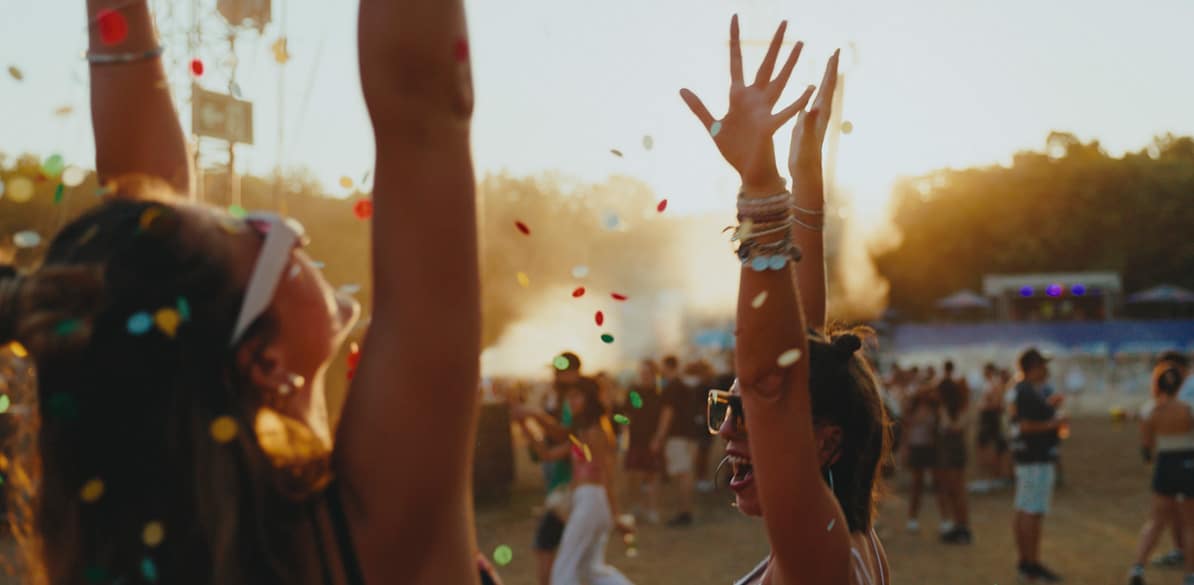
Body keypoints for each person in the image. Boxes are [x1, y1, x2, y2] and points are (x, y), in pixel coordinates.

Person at [0, 0, 480, 583]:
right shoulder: (381, 538)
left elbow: (147, 217)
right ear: (264, 361)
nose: (288, 228)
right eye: (256, 232)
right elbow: (424, 102)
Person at [682, 16, 889, 584]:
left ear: (826, 443)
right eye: (734, 409)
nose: (727, 430)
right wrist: (805, 185)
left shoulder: (818, 557)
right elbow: (800, 351)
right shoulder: (850, 538)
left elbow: (776, 378)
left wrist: (762, 189)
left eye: (746, 411)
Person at [526, 380, 635, 585]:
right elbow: (547, 454)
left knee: (564, 568)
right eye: (570, 397)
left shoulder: (594, 432)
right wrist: (526, 425)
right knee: (590, 568)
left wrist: (615, 512)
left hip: (591, 500)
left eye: (577, 396)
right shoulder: (585, 432)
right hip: (588, 501)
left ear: (589, 399)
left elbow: (605, 475)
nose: (571, 401)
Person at [1128, 362, 1194, 585]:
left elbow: (1146, 447)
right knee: (1189, 524)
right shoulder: (1188, 409)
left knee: (1155, 521)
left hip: (1165, 464)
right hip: (1188, 462)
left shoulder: (1150, 410)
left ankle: (1137, 568)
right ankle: (1190, 576)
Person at [1009, 348, 1066, 583]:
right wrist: (1055, 423)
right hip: (1036, 459)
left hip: (1029, 458)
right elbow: (1025, 426)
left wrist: (1050, 410)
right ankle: (1032, 564)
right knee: (1033, 511)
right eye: (1043, 364)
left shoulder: (1023, 390)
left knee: (1024, 508)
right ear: (1034, 367)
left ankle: (1026, 562)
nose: (1046, 369)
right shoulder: (1026, 391)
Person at [1147, 351, 1192, 569]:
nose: (1163, 375)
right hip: (1176, 456)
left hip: (1185, 456)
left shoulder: (1189, 390)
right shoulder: (1179, 389)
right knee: (1175, 510)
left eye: (1165, 369)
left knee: (1185, 513)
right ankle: (1179, 551)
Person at [652, 355, 699, 527]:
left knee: (682, 474)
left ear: (667, 367)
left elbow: (667, 414)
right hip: (688, 435)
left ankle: (684, 512)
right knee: (686, 474)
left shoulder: (672, 387)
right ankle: (685, 511)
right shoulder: (684, 386)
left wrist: (659, 437)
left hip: (677, 437)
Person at [623, 360, 664, 524]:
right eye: (643, 373)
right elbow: (626, 414)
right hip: (635, 438)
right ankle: (638, 505)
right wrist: (624, 434)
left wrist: (659, 437)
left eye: (648, 373)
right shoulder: (633, 391)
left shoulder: (659, 393)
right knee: (634, 474)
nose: (645, 376)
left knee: (652, 474)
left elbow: (664, 416)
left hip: (652, 438)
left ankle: (652, 509)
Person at [936, 360, 972, 544]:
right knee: (958, 489)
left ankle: (961, 527)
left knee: (953, 489)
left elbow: (949, 427)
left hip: (949, 449)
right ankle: (962, 525)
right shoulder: (962, 407)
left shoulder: (944, 410)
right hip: (958, 448)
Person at [901, 382, 942, 534]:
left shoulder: (935, 408)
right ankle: (912, 518)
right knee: (916, 485)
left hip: (930, 448)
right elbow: (906, 431)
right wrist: (905, 449)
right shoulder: (912, 409)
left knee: (938, 484)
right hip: (916, 448)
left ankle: (944, 519)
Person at [973, 363, 1012, 494]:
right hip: (992, 419)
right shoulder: (993, 383)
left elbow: (997, 404)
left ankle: (988, 480)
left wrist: (984, 407)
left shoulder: (994, 384)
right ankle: (996, 478)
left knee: (987, 449)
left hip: (990, 419)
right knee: (996, 448)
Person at [687, 360, 719, 493]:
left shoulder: (706, 385)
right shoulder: (702, 387)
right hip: (703, 424)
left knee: (704, 452)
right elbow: (703, 406)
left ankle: (701, 479)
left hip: (705, 423)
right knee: (702, 453)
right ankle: (700, 479)